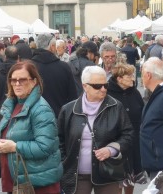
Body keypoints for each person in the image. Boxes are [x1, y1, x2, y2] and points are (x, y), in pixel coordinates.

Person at [0, 61, 63, 194]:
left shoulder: (40, 109)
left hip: (38, 183)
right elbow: (3, 127)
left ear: (34, 81)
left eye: (22, 80)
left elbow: (44, 147)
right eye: (13, 80)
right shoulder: (12, 104)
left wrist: (14, 147)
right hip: (18, 181)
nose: (17, 84)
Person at [58, 66, 134, 194]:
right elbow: (59, 140)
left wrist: (111, 150)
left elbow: (128, 134)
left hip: (108, 173)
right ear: (85, 86)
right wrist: (64, 161)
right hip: (76, 175)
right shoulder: (68, 109)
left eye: (105, 85)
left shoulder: (116, 106)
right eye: (97, 86)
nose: (103, 89)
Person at [107, 63, 145, 194]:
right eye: (129, 76)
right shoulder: (107, 93)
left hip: (134, 141)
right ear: (119, 78)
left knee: (132, 176)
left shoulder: (135, 93)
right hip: (115, 142)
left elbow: (142, 112)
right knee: (117, 178)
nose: (133, 79)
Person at [31, 33, 77, 117]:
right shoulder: (64, 67)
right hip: (59, 117)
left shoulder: (29, 67)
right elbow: (73, 97)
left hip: (34, 118)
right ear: (52, 46)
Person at [0, 45, 18, 110]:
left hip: (3, 109)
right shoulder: (21, 74)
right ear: (18, 58)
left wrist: (0, 106)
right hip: (19, 110)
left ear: (5, 57)